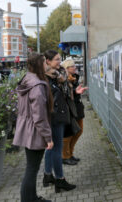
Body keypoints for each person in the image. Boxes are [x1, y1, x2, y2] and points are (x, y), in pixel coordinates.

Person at [13, 53, 54, 202]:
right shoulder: (37, 85)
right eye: (44, 62)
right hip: (35, 132)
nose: (46, 65)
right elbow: (39, 117)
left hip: (26, 129)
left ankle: (32, 197)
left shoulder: (27, 78)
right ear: (39, 64)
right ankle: (28, 199)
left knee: (32, 167)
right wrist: (48, 138)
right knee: (31, 169)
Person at [42, 50, 76, 193]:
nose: (59, 62)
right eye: (56, 59)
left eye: (59, 59)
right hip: (55, 117)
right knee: (56, 148)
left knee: (51, 148)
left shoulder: (56, 75)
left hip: (57, 115)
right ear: (48, 61)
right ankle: (60, 180)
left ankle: (48, 175)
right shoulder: (47, 78)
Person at [61, 59, 88, 165]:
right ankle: (65, 156)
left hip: (77, 109)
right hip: (70, 110)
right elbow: (65, 94)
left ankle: (70, 154)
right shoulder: (63, 80)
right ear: (66, 68)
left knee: (79, 131)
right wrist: (75, 92)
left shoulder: (75, 78)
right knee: (69, 134)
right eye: (72, 66)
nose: (75, 67)